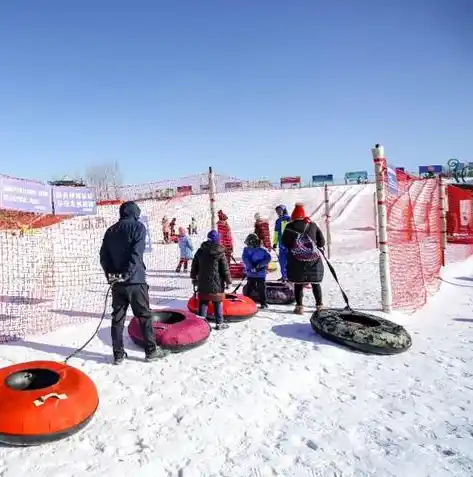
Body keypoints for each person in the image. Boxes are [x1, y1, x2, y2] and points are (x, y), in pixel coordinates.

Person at [100, 201, 169, 364]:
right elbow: (135, 255)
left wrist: (111, 275)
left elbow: (104, 256)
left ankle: (118, 354)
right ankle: (151, 351)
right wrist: (127, 274)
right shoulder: (138, 228)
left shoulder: (110, 230)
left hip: (117, 283)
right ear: (134, 213)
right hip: (135, 281)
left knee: (118, 318)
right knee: (144, 316)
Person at [281, 202, 325, 315]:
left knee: (298, 283)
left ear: (293, 216)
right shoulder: (313, 225)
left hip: (296, 260)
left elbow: (285, 242)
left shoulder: (289, 226)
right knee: (315, 283)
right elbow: (322, 242)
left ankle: (299, 307)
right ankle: (320, 306)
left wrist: (296, 248)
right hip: (313, 260)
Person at [190, 230, 232, 330]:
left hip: (203, 282)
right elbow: (224, 269)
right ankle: (219, 323)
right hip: (217, 282)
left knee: (203, 302)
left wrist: (193, 277)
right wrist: (228, 281)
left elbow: (194, 265)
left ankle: (201, 325)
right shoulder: (220, 252)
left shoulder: (200, 251)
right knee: (217, 302)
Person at [242, 233, 271, 309]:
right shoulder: (260, 250)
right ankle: (261, 303)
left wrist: (256, 266)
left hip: (255, 274)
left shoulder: (248, 250)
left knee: (253, 288)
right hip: (257, 274)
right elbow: (268, 258)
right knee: (256, 288)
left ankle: (259, 302)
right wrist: (257, 266)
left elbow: (245, 259)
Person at [272, 204, 290, 281]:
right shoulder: (278, 221)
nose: (278, 213)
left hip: (289, 244)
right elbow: (276, 233)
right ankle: (284, 276)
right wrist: (275, 243)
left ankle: (290, 276)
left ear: (284, 210)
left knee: (289, 261)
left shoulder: (289, 219)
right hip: (281, 245)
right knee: (282, 261)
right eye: (277, 211)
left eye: (280, 211)